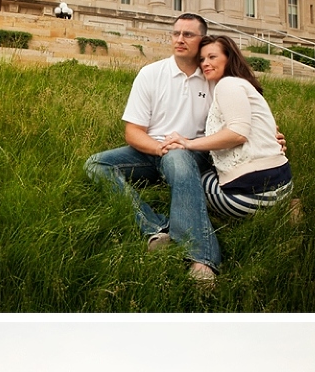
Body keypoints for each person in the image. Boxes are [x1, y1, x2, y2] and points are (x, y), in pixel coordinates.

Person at [84, 14, 221, 282]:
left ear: (203, 40)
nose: (180, 39)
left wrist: (270, 135)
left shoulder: (213, 78)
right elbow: (133, 132)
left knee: (179, 157)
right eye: (176, 33)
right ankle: (156, 228)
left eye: (188, 35)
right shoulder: (151, 74)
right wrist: (160, 149)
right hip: (153, 150)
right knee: (95, 164)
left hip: (195, 150)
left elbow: (240, 118)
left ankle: (201, 258)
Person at [164, 35, 293, 223]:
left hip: (249, 198)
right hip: (283, 187)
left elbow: (238, 134)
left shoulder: (228, 84)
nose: (205, 63)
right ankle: (286, 209)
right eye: (201, 59)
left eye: (212, 57)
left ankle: (178, 227)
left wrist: (187, 143)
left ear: (229, 57)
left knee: (189, 179)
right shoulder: (244, 85)